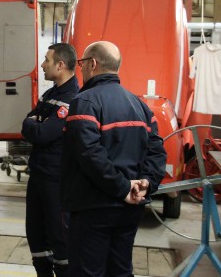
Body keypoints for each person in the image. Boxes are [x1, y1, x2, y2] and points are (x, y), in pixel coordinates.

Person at [61, 40, 167, 276]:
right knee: (119, 271)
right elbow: (157, 150)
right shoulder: (139, 105)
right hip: (130, 209)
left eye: (82, 63)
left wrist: (121, 188)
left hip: (93, 207)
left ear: (93, 64)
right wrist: (146, 184)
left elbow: (89, 154)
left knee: (87, 272)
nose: (81, 68)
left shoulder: (84, 102)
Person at [21, 43, 78, 277]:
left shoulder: (72, 98)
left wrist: (34, 123)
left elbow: (43, 133)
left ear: (60, 65)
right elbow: (27, 122)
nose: (43, 65)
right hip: (38, 175)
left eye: (47, 60)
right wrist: (33, 123)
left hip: (56, 179)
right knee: (35, 233)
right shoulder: (51, 93)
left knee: (58, 235)